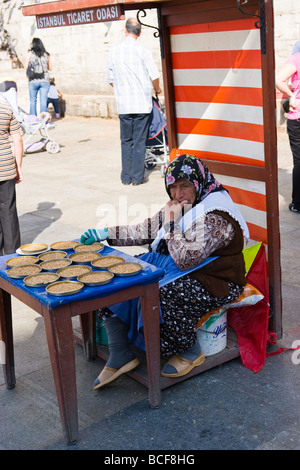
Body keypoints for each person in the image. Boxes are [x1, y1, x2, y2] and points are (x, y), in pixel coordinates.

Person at [80, 154, 249, 389]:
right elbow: (147, 229)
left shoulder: (216, 216)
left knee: (163, 293)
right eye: (173, 187)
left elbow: (186, 259)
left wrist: (170, 224)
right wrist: (106, 233)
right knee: (116, 274)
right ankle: (120, 353)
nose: (178, 194)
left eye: (184, 186)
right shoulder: (182, 206)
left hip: (215, 279)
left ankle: (190, 350)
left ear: (198, 183)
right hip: (178, 267)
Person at [106, 18, 162, 185]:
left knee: (126, 141)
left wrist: (121, 88)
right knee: (139, 141)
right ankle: (137, 178)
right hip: (141, 103)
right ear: (140, 32)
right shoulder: (143, 50)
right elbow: (154, 75)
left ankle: (126, 177)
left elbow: (110, 79)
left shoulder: (114, 50)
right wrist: (157, 89)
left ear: (125, 31)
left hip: (124, 104)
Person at [0, 88, 23, 255]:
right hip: (6, 166)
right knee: (8, 208)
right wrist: (18, 166)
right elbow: (18, 139)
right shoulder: (6, 109)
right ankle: (11, 252)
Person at [276, 52, 300, 213]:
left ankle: (297, 203)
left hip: (297, 116)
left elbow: (278, 79)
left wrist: (292, 95)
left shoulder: (297, 58)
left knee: (299, 162)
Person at [24, 38, 52, 116]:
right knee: (43, 101)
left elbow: (26, 67)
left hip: (33, 80)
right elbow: (50, 68)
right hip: (45, 80)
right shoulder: (46, 54)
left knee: (33, 100)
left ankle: (33, 119)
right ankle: (43, 120)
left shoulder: (30, 53)